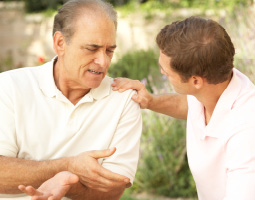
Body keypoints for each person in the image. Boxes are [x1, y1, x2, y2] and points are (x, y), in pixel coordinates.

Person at [0, 0, 142, 200]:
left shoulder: (124, 99)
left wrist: (69, 183)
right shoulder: (9, 87)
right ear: (60, 43)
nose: (103, 61)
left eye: (109, 50)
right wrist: (65, 166)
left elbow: (113, 191)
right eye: (92, 48)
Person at [112, 16, 255, 199]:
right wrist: (151, 101)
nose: (162, 72)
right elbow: (189, 105)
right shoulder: (214, 85)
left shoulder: (246, 133)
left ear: (195, 81)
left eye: (167, 72)